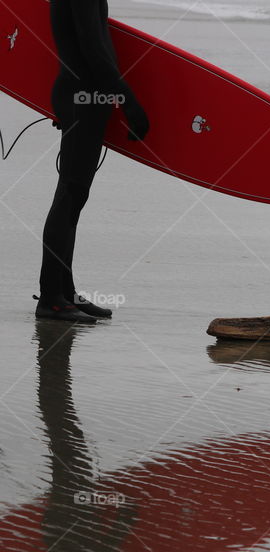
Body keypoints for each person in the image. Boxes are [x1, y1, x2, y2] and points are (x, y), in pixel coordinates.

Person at [38, 0, 150, 322]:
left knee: (74, 197)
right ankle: (50, 299)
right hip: (81, 98)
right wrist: (129, 103)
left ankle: (64, 291)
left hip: (84, 97)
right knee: (69, 196)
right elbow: (92, 47)